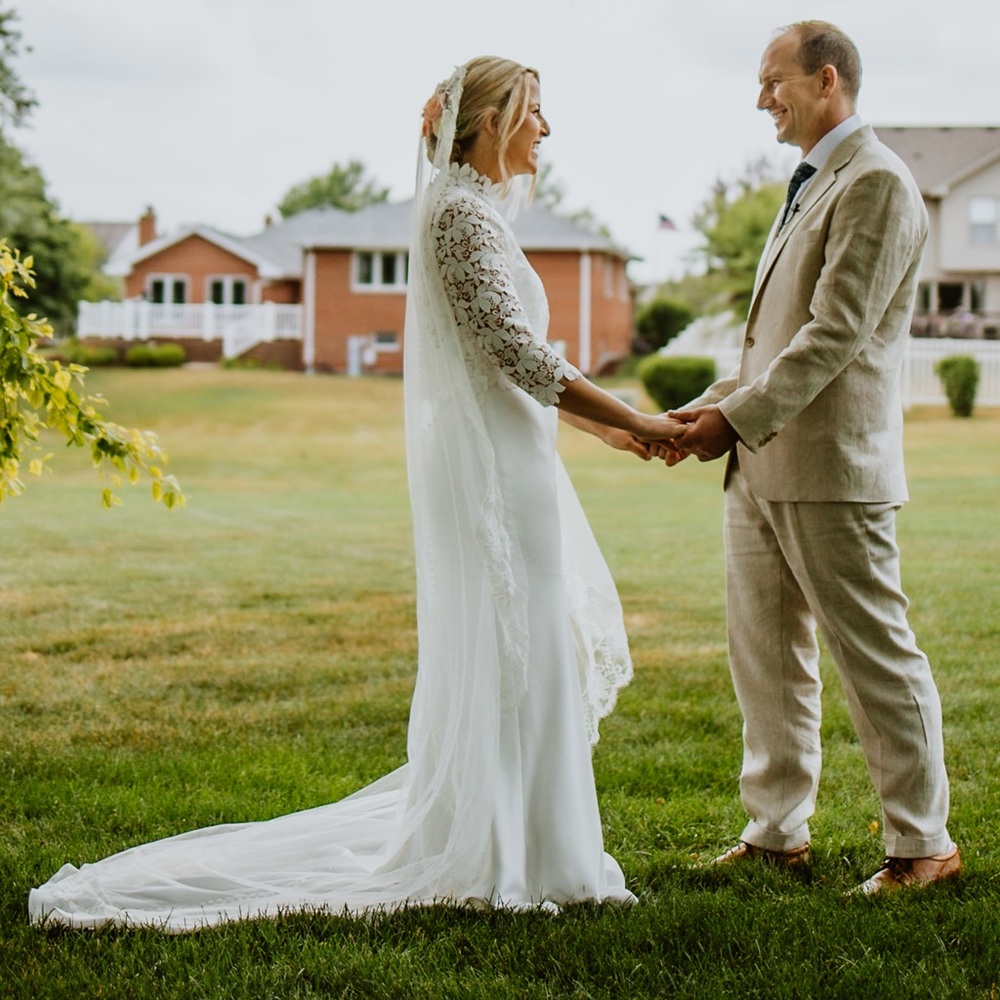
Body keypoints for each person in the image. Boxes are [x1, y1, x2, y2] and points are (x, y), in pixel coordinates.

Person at [29, 56, 682, 930]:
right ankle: (511, 851)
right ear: (488, 123)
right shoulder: (458, 217)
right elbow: (522, 359)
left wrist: (619, 434)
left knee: (528, 639)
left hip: (515, 458)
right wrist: (636, 419)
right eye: (535, 113)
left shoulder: (475, 214)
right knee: (514, 637)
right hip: (496, 473)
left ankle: (538, 842)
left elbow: (516, 366)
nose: (547, 131)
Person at [663, 21, 959, 895]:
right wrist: (718, 404)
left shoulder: (876, 182)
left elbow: (835, 335)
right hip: (761, 463)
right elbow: (778, 340)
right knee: (765, 654)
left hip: (833, 470)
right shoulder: (810, 183)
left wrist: (733, 419)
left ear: (825, 80)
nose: (761, 99)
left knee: (875, 656)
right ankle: (775, 831)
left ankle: (923, 844)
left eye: (772, 81)